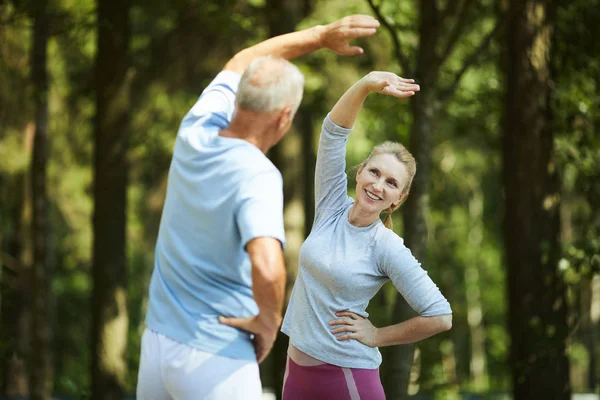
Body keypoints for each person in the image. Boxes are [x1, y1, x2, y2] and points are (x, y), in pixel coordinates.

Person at [135, 15, 382, 400]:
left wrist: (319, 36)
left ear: (239, 98)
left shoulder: (195, 127)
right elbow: (268, 267)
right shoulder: (258, 175)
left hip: (157, 343)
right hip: (216, 356)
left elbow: (241, 60)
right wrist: (268, 325)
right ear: (284, 118)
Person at [280, 71, 453, 399]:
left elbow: (440, 316)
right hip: (296, 371)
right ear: (359, 173)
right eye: (374, 172)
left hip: (347, 377)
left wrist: (376, 336)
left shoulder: (385, 246)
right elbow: (332, 133)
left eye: (391, 183)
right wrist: (366, 84)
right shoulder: (331, 205)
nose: (378, 185)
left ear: (398, 199)